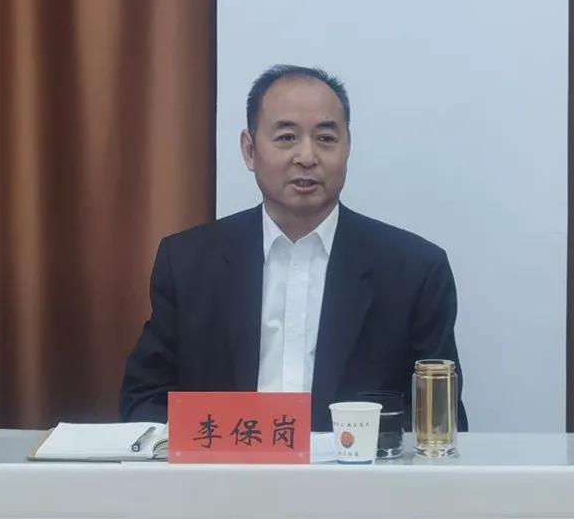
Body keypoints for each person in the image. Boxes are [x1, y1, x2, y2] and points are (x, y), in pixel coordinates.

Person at [120, 64, 468, 431]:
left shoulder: (414, 271)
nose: (306, 156)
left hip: (355, 468)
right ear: (249, 150)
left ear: (348, 148)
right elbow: (143, 400)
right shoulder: (189, 263)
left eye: (326, 138)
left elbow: (439, 422)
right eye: (287, 137)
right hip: (226, 465)